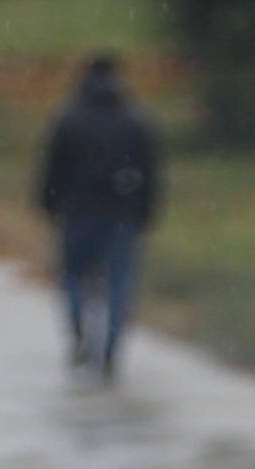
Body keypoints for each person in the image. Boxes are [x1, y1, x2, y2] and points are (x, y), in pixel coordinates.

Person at [37, 55, 162, 381]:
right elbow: (150, 172)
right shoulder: (135, 120)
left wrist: (48, 205)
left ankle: (79, 337)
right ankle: (110, 351)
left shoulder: (68, 119)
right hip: (121, 213)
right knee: (119, 282)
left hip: (78, 211)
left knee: (73, 278)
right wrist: (145, 211)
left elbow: (52, 169)